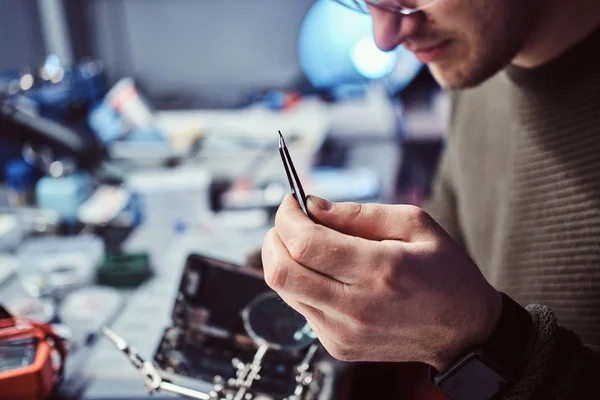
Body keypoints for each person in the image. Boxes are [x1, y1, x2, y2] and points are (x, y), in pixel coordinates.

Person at [261, 0, 600, 398]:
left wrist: (484, 342)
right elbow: (458, 227)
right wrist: (330, 263)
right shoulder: (480, 60)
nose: (384, 38)